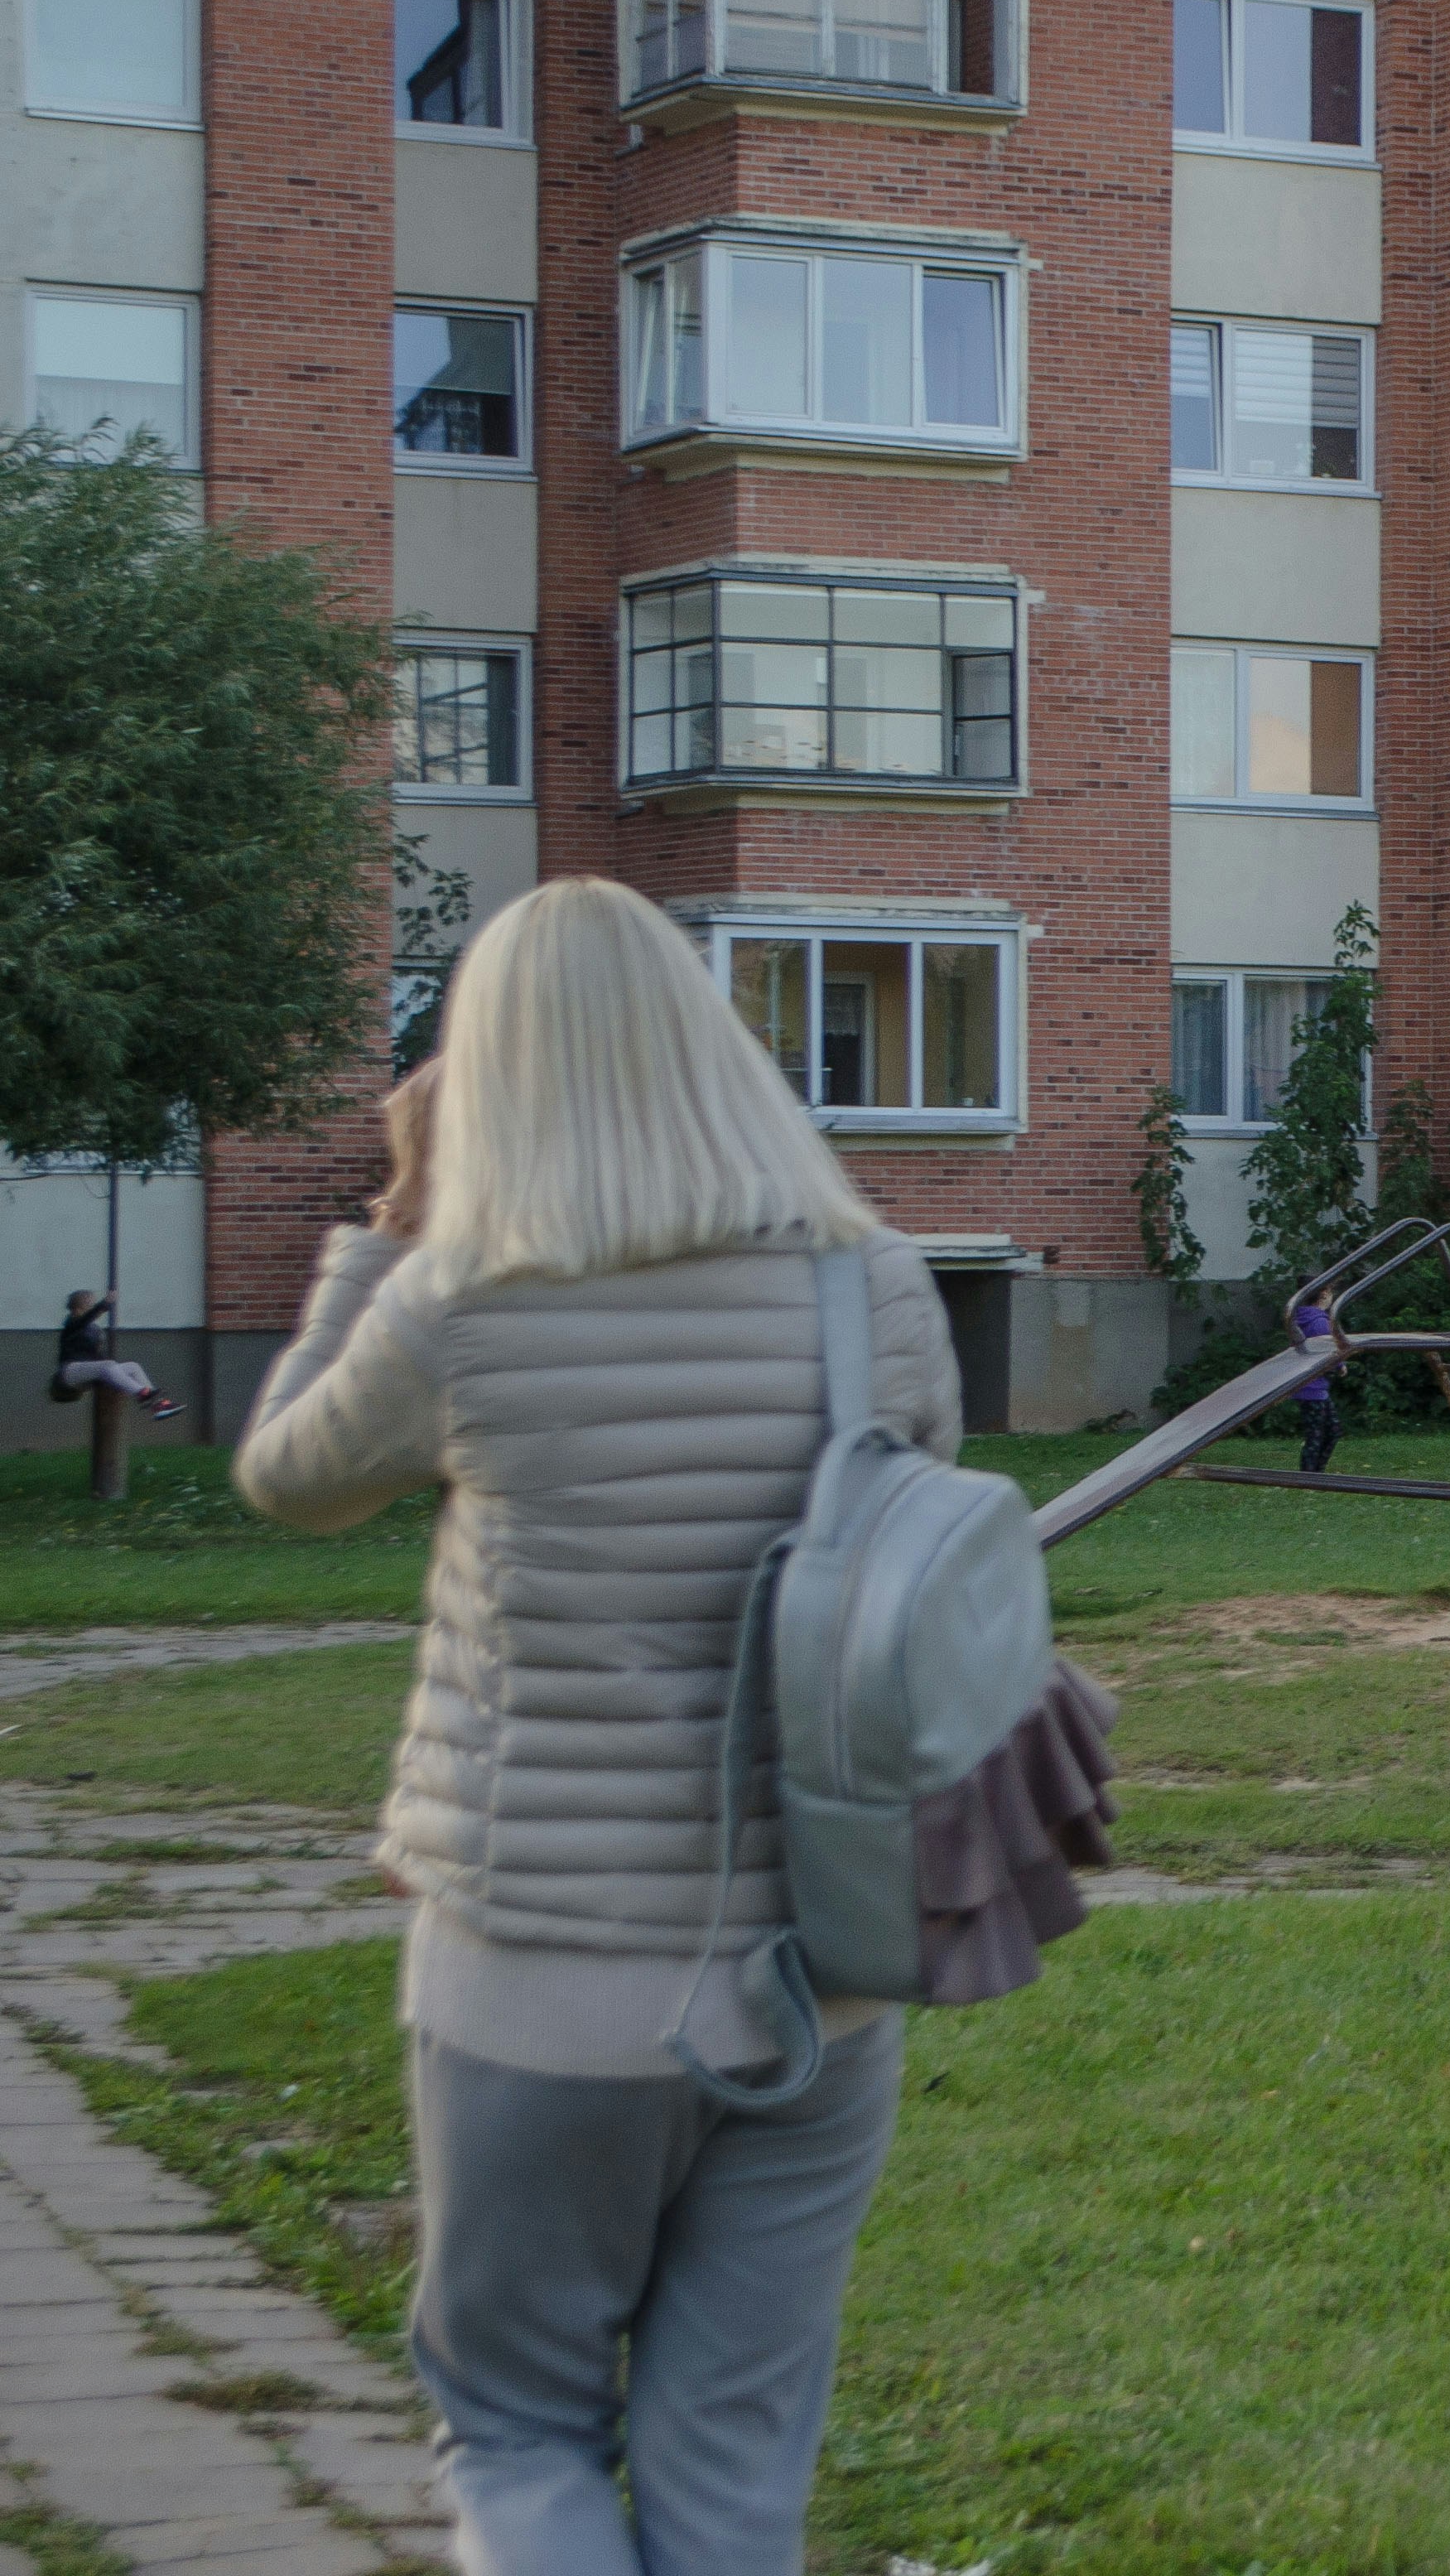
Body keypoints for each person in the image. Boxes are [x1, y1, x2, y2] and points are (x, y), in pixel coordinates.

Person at [229, 877, 966, 2576]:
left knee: (519, 2424)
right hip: (821, 1970)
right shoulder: (876, 1293)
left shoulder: (465, 1306)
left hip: (539, 1980)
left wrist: (392, 1225)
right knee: (731, 2460)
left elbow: (288, 1477)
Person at [52, 1290, 182, 1422]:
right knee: (108, 1365)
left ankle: (159, 1406)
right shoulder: (71, 1324)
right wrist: (104, 1304)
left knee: (133, 1367)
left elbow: (97, 1354)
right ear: (78, 1307)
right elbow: (85, 1319)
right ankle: (142, 1393)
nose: (92, 1306)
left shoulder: (93, 1329)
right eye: (89, 1304)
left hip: (89, 1371)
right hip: (69, 1371)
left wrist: (114, 1372)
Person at [1287, 1291, 1341, 1474]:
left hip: (1313, 1387)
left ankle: (1315, 1473)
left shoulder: (1300, 1317)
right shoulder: (1319, 1322)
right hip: (1313, 1388)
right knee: (1318, 1435)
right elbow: (1329, 1348)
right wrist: (1340, 1366)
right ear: (1324, 1295)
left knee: (1331, 1431)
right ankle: (1310, 1475)